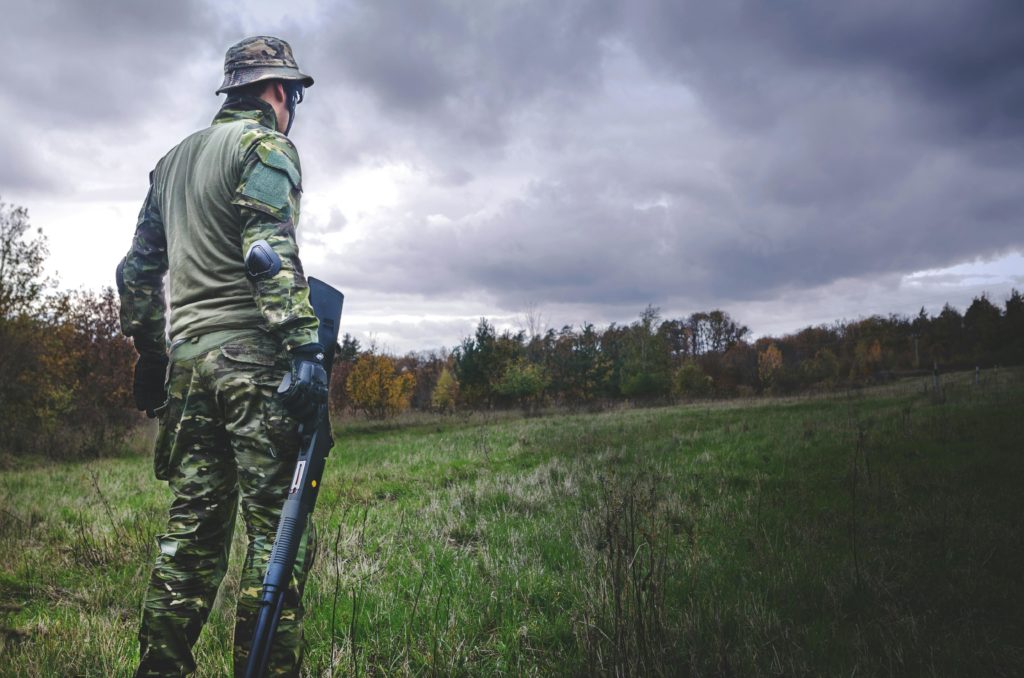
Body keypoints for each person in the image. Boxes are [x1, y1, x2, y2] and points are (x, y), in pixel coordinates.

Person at [117, 36, 327, 677]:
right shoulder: (266, 147)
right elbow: (267, 252)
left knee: (191, 536)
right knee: (277, 534)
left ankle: (160, 670)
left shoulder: (172, 163)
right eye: (292, 95)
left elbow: (136, 273)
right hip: (253, 366)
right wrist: (304, 347)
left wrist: (154, 357)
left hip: (189, 366)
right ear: (278, 91)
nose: (292, 107)